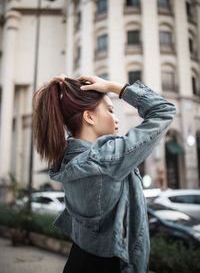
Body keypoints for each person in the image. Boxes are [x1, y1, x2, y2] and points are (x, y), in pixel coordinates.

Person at [32, 75, 176, 273]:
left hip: (79, 260)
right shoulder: (108, 158)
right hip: (111, 265)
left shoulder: (66, 159)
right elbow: (164, 110)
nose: (115, 118)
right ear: (89, 116)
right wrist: (113, 86)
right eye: (110, 110)